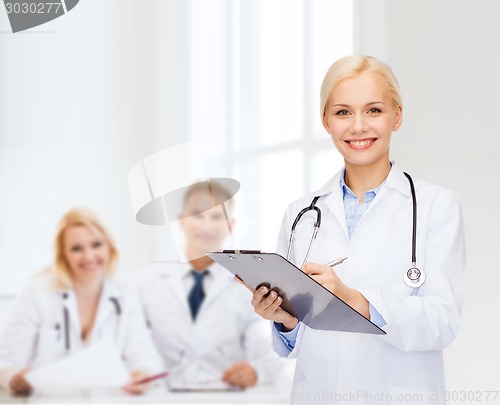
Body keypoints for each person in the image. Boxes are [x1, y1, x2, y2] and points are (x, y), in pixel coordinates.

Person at [245, 55, 466, 404]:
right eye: (343, 112)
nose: (358, 126)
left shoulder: (436, 206)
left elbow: (441, 321)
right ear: (326, 121)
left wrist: (353, 300)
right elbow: (295, 337)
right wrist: (282, 319)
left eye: (374, 110)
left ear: (398, 116)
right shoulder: (301, 213)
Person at [134, 180, 283, 389]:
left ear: (231, 226)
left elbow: (270, 351)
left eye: (216, 217)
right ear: (182, 222)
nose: (206, 226)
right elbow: (135, 344)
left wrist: (255, 372)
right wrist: (142, 371)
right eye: (197, 215)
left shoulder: (250, 286)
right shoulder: (145, 283)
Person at [0, 208, 163, 396]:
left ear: (109, 247)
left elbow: (144, 355)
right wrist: (13, 378)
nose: (89, 256)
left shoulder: (125, 294)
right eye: (76, 248)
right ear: (63, 255)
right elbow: (5, 361)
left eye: (96, 245)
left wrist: (142, 373)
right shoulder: (37, 293)